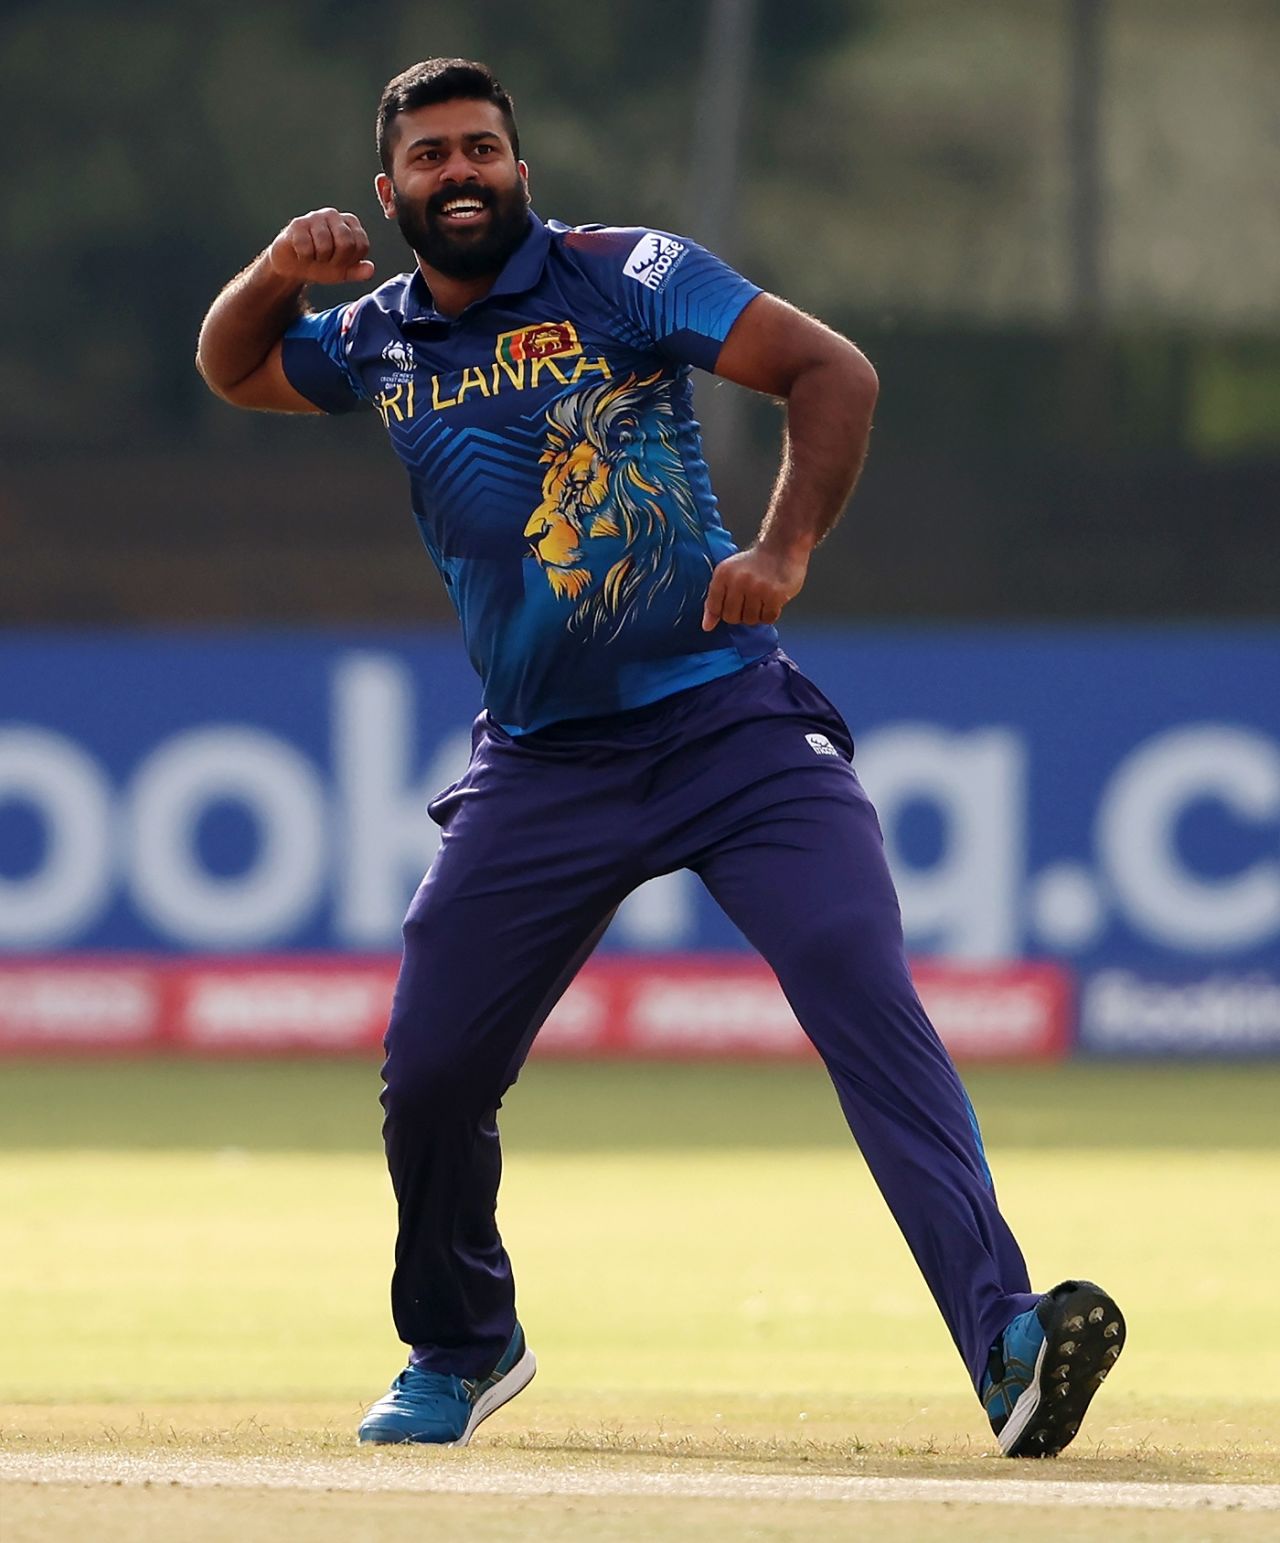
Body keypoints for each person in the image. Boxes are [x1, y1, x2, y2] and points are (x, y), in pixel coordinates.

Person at [196, 58, 1124, 1455]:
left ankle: (1006, 1345)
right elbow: (234, 368)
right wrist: (276, 270)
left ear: (522, 170)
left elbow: (832, 371)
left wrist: (784, 548)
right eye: (433, 157)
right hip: (544, 765)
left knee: (862, 992)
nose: (463, 173)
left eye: (485, 151)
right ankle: (464, 1343)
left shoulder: (627, 274)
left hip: (731, 727)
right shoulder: (378, 337)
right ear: (389, 194)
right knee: (433, 1073)